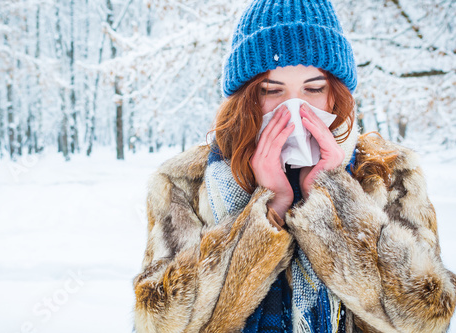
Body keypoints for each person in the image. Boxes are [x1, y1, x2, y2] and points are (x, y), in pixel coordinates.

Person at [133, 0, 456, 332]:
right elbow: (159, 324)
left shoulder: (388, 175)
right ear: (246, 99)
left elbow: (427, 320)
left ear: (335, 95)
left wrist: (334, 200)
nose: (293, 109)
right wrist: (269, 212)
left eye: (313, 89)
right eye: (272, 91)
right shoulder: (184, 183)